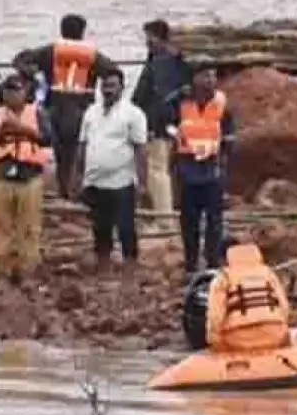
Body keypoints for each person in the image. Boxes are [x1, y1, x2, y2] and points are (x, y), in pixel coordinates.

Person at [13, 15, 118, 201]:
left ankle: (59, 191)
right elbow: (114, 72)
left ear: (61, 30)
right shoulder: (92, 54)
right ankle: (73, 193)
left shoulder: (51, 50)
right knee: (76, 153)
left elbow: (20, 60)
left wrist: (30, 77)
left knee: (57, 152)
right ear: (82, 32)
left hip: (54, 108)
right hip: (81, 109)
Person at [79, 69, 148, 268]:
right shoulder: (91, 111)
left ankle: (131, 265)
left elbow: (141, 149)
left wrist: (142, 184)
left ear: (122, 87)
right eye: (105, 86)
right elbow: (82, 144)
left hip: (121, 181)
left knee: (126, 227)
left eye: (112, 86)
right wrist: (78, 176)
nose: (108, 90)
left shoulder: (133, 114)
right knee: (100, 227)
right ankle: (103, 265)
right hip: (94, 181)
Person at [171, 65, 236, 274]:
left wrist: (222, 164)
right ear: (195, 79)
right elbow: (162, 117)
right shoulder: (181, 102)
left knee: (214, 222)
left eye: (213, 76)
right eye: (206, 75)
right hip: (188, 170)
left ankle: (212, 263)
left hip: (212, 170)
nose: (211, 80)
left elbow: (229, 137)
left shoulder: (221, 103)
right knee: (189, 223)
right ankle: (191, 265)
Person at [0, 77, 51, 281]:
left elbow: (48, 139)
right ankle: (2, 269)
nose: (12, 95)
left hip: (29, 178)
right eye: (8, 91)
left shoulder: (37, 114)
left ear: (25, 93)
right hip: (1, 178)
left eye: (16, 90)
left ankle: (27, 269)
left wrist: (23, 130)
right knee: (1, 225)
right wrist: (0, 132)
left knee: (29, 226)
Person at [185, 241, 292, 354]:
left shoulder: (224, 278)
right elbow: (285, 309)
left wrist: (214, 343)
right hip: (274, 335)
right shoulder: (268, 273)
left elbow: (215, 317)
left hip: (239, 339)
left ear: (224, 259)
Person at [132, 19, 192, 216]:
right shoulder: (174, 61)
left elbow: (153, 95)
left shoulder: (161, 62)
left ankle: (163, 216)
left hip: (158, 123)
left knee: (157, 170)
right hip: (169, 122)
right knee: (161, 168)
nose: (147, 41)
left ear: (159, 37)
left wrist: (146, 122)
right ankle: (160, 211)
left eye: (149, 37)